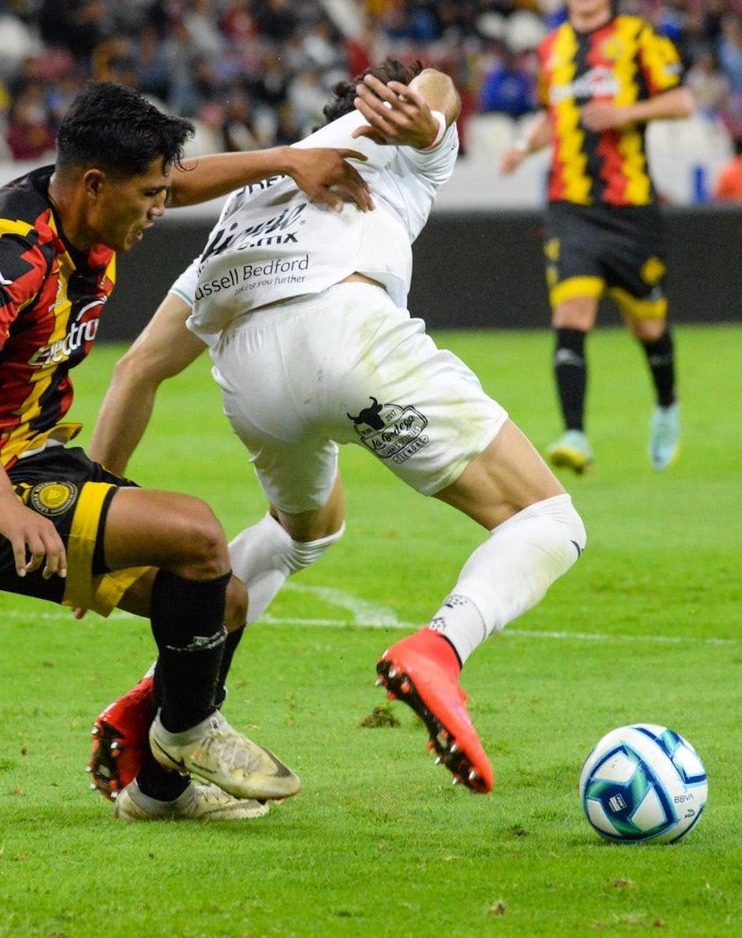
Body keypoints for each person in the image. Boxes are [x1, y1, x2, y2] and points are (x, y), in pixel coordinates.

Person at [84, 62, 587, 801]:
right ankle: (439, 649)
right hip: (347, 335)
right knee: (548, 518)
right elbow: (438, 83)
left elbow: (134, 372)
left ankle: (169, 701)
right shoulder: (391, 143)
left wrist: (90, 526)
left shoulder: (250, 201)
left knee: (305, 529)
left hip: (253, 382)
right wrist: (426, 113)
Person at [0, 81, 373, 822]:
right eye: (147, 195)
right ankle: (191, 731)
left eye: (162, 190)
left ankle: (159, 791)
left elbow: (179, 179)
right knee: (197, 532)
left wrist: (291, 160)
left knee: (225, 603)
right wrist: (4, 508)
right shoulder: (12, 251)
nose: (160, 208)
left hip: (38, 462)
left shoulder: (83, 206)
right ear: (95, 185)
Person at [499, 0, 695, 473]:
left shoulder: (639, 38)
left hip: (631, 207)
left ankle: (667, 407)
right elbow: (553, 116)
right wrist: (523, 148)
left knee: (648, 326)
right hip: (570, 205)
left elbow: (682, 101)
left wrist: (625, 113)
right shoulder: (551, 49)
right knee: (571, 311)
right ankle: (575, 435)